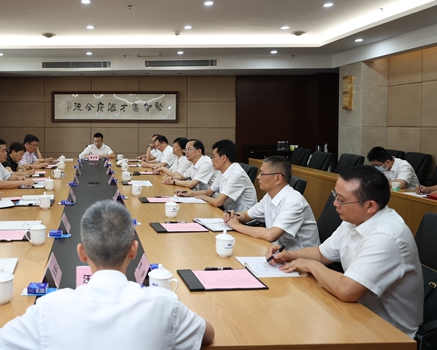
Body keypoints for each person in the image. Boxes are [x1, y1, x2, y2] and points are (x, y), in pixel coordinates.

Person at [0, 200, 214, 350]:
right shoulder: (164, 303)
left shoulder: (50, 308)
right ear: (133, 250)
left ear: (81, 253)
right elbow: (208, 334)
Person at [267, 165, 423, 337]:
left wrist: (311, 266)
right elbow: (322, 253)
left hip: (389, 333)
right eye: (335, 196)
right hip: (356, 313)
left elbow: (347, 290)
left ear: (370, 206)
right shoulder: (355, 220)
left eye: (341, 200)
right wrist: (289, 255)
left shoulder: (386, 236)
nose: (335, 204)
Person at [224, 156, 319, 250]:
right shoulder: (269, 197)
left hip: (301, 257)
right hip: (278, 252)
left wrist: (236, 225)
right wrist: (233, 215)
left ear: (277, 178)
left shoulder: (294, 201)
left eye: (262, 173)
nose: (258, 177)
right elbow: (246, 215)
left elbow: (271, 235)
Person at [178, 139, 257, 211]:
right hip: (229, 214)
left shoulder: (236, 174)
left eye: (213, 156)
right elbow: (209, 192)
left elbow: (217, 202)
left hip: (243, 217)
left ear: (223, 158)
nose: (211, 160)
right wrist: (189, 194)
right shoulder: (222, 171)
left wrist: (202, 197)